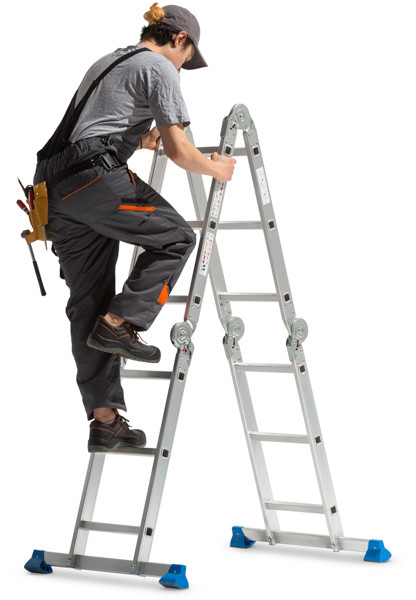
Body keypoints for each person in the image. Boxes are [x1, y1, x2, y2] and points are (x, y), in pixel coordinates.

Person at [33, 3, 236, 452]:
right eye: (188, 56)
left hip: (52, 188)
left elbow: (91, 127)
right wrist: (217, 169)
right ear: (179, 39)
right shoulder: (160, 68)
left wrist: (136, 139)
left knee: (87, 303)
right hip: (92, 179)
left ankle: (105, 422)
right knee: (178, 237)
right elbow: (182, 152)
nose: (185, 66)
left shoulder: (109, 60)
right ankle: (122, 323)